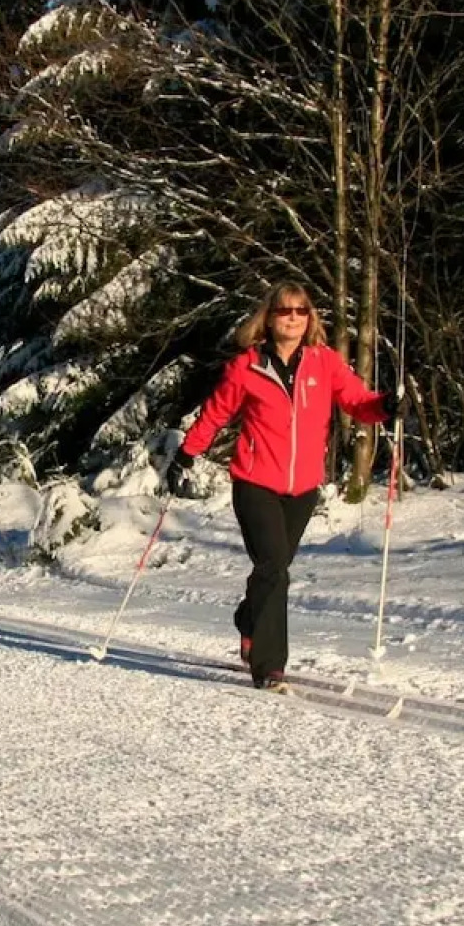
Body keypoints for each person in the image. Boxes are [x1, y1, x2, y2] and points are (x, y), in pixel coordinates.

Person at [164, 282, 398, 691]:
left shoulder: (324, 363)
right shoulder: (247, 366)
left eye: (301, 311)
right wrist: (187, 453)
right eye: (285, 311)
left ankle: (248, 618)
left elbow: (358, 402)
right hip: (255, 482)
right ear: (268, 318)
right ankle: (269, 667)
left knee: (274, 569)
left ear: (310, 319)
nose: (293, 317)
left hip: (304, 486)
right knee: (274, 567)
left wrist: (385, 407)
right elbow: (216, 413)